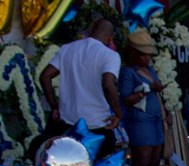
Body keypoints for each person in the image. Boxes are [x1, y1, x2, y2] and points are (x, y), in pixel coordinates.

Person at [38, 19, 124, 157]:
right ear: (110, 38)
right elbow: (108, 84)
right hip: (98, 125)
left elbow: (45, 76)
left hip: (67, 124)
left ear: (90, 31)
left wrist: (55, 106)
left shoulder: (67, 49)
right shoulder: (109, 55)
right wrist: (118, 113)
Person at [118, 30, 167, 166]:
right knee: (141, 164)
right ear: (134, 54)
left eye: (148, 56)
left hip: (155, 120)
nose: (146, 59)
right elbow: (125, 98)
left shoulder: (150, 70)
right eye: (143, 55)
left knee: (154, 164)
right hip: (140, 121)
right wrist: (147, 89)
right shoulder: (127, 72)